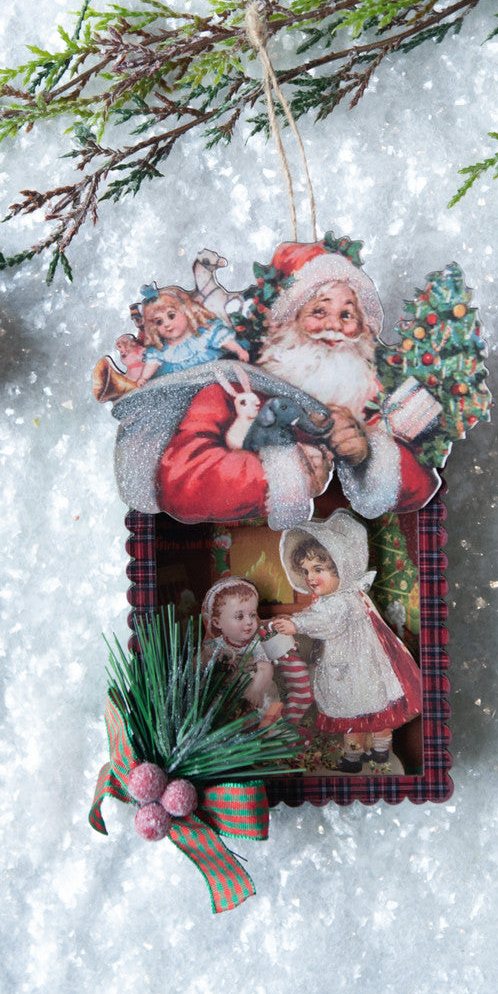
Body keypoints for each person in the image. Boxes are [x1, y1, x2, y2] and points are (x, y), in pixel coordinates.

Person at [153, 242, 438, 527]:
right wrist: (285, 472)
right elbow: (180, 482)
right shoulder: (236, 387)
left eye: (347, 315)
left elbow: (421, 486)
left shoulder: (369, 398)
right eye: (318, 311)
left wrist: (367, 455)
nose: (335, 327)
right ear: (290, 320)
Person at [269, 510, 421, 773]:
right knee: (352, 710)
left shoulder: (343, 600)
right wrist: (296, 619)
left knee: (362, 708)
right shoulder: (335, 597)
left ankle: (379, 750)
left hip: (357, 667)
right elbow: (317, 614)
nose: (310, 578)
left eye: (318, 570)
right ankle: (356, 754)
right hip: (348, 664)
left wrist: (297, 625)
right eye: (305, 571)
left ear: (341, 568)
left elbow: (328, 622)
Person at [200, 577, 313, 725]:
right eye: (239, 616)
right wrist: (207, 659)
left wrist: (255, 690)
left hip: (256, 689)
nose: (249, 621)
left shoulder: (256, 643)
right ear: (217, 622)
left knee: (263, 715)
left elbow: (265, 668)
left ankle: (268, 730)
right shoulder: (216, 644)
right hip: (226, 692)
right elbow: (201, 663)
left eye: (252, 615)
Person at [136, 284, 249, 383]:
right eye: (159, 322)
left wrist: (239, 350)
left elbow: (225, 340)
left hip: (214, 378)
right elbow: (152, 364)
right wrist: (144, 378)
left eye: (171, 316)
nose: (166, 324)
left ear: (185, 312)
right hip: (182, 386)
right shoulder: (162, 352)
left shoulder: (203, 335)